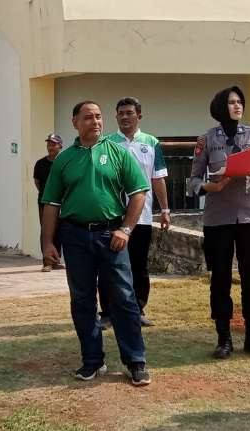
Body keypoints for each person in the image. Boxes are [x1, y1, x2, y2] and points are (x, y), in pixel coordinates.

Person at [40, 100, 153, 386]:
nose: (96, 121)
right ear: (75, 122)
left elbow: (139, 193)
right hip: (74, 236)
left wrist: (126, 229)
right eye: (88, 117)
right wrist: (47, 243)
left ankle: (135, 361)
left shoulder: (117, 152)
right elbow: (51, 204)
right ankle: (92, 361)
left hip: (111, 235)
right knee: (82, 300)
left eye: (99, 117)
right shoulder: (64, 159)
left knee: (124, 298)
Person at [188, 86, 250, 359]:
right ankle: (223, 338)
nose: (237, 106)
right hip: (218, 219)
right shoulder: (206, 139)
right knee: (220, 279)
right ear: (220, 107)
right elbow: (192, 182)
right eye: (231, 102)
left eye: (240, 102)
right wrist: (209, 187)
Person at [102, 97, 171, 327]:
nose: (124, 117)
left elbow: (158, 178)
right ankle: (108, 313)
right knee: (109, 265)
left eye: (129, 113)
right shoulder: (107, 142)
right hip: (113, 216)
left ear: (139, 116)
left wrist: (165, 209)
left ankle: (138, 309)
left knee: (139, 266)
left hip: (141, 217)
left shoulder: (151, 143)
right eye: (120, 113)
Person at [34, 133, 65, 272]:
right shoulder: (40, 163)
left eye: (53, 144)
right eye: (49, 143)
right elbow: (37, 183)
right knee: (47, 230)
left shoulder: (65, 161)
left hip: (64, 203)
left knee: (60, 231)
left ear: (60, 146)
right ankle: (47, 262)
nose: (50, 146)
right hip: (45, 203)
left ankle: (56, 260)